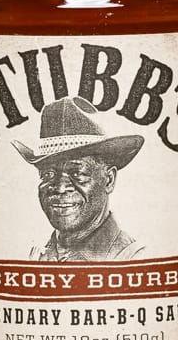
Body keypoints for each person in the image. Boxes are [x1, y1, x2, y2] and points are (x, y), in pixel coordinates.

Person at [12, 95, 145, 261]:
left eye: (77, 174)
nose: (60, 188)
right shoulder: (38, 256)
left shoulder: (132, 258)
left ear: (109, 180)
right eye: (48, 174)